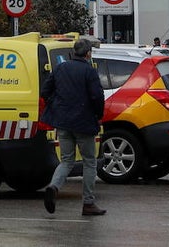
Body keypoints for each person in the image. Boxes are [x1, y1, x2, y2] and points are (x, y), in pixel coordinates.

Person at [40, 37, 106, 216]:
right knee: (89, 161)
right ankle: (88, 203)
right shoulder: (89, 71)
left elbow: (45, 91)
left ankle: (54, 187)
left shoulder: (61, 68)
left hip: (63, 122)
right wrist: (98, 115)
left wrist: (57, 106)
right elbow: (97, 96)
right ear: (88, 53)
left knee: (67, 160)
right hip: (84, 123)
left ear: (73, 52)